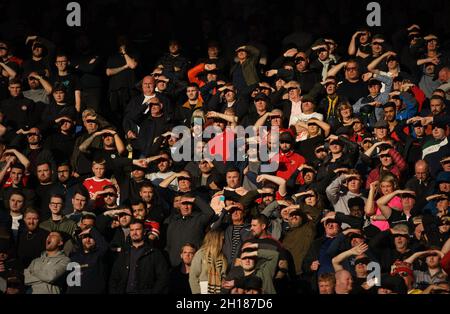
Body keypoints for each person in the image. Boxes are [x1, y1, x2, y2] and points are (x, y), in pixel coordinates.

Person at [109, 219, 169, 294]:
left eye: (137, 229)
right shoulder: (124, 253)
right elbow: (114, 277)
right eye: (132, 230)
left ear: (144, 232)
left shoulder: (154, 253)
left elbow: (163, 278)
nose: (134, 233)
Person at [189, 230, 227, 294]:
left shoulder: (222, 256)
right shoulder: (201, 253)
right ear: (216, 240)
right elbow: (193, 276)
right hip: (202, 289)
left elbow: (223, 275)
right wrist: (197, 293)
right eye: (222, 238)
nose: (223, 240)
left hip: (218, 289)